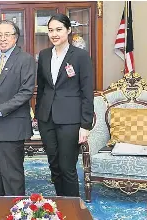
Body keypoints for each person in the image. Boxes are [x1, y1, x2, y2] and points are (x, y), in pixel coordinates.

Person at [35, 13, 94, 197]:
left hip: (70, 120)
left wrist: (85, 125)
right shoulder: (44, 55)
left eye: (59, 29)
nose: (54, 34)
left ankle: (73, 209)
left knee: (67, 167)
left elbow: (87, 92)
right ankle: (61, 203)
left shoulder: (80, 56)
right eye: (51, 30)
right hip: (47, 119)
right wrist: (38, 115)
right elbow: (42, 87)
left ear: (68, 30)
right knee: (54, 165)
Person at [0, 20, 36, 197]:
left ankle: (16, 214)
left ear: (16, 38)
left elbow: (26, 92)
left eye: (7, 35)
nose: (2, 39)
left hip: (12, 125)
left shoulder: (25, 59)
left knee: (12, 174)